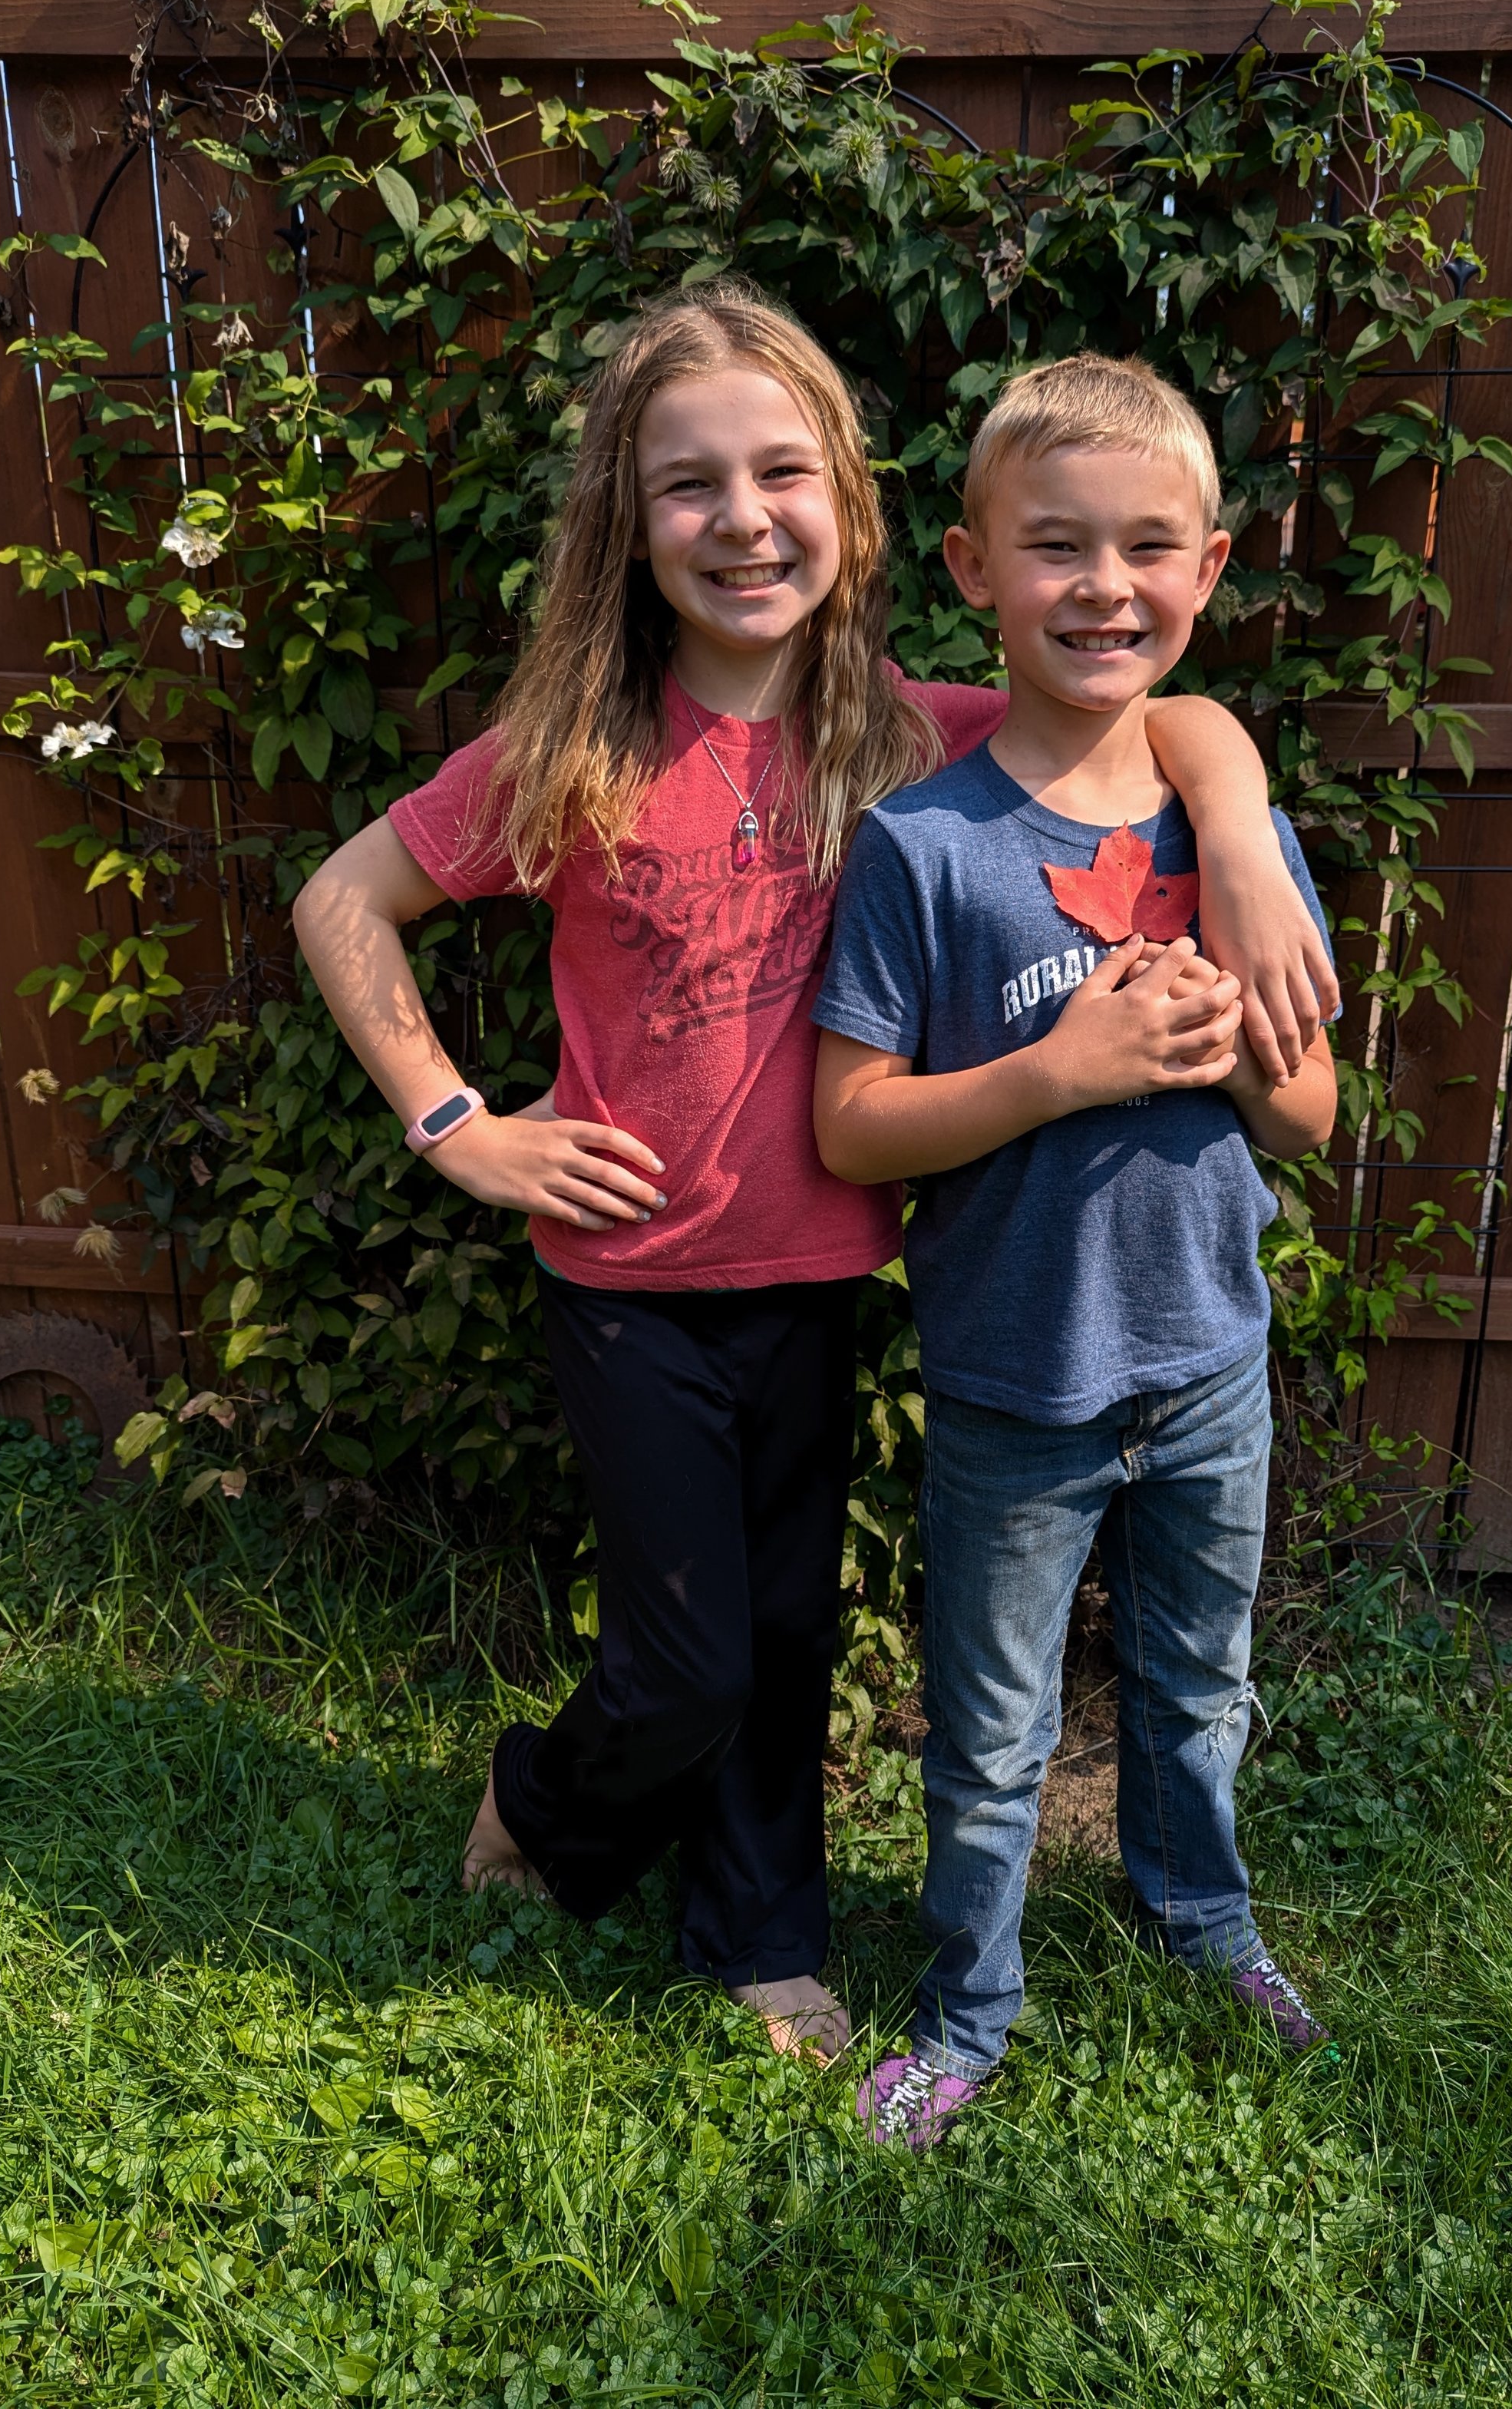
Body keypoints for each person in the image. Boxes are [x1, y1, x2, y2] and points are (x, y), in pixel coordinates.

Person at [292, 285, 1334, 2064]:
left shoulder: (910, 735)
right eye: (690, 483)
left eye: (783, 471)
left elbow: (1155, 716)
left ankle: (761, 1944)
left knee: (777, 1637)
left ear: (849, 508)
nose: (742, 516)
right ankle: (545, 1799)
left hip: (826, 1275)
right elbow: (341, 901)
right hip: (625, 1286)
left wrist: (1233, 831)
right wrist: (461, 1124)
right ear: (628, 520)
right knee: (684, 1661)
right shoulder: (566, 752)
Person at [813, 351, 1340, 2145]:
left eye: (1144, 548)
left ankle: (1203, 1917)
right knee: (992, 1737)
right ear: (971, 570)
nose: (1100, 585)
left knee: (1198, 1688)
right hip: (1010, 1382)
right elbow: (849, 1125)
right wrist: (1062, 1067)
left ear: (1206, 571)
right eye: (1053, 546)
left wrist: (1235, 1036)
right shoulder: (919, 846)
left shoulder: (1234, 834)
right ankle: (967, 2008)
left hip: (1205, 1366)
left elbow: (1312, 1121)